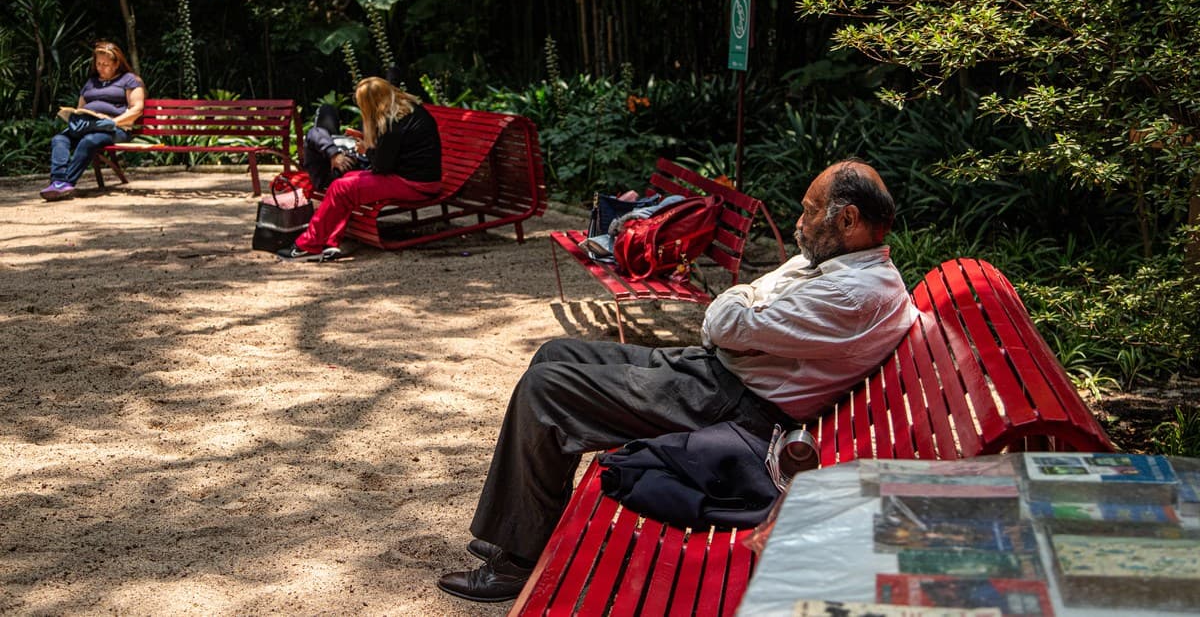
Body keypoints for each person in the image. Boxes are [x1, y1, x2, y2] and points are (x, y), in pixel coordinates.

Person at [437, 159, 920, 603]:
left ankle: (520, 563)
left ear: (848, 221)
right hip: (718, 373)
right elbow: (746, 306)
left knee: (546, 392)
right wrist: (745, 305)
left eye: (810, 211)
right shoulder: (835, 264)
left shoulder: (851, 293)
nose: (799, 222)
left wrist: (742, 307)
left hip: (736, 407)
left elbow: (724, 323)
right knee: (554, 354)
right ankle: (527, 529)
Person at [277, 77, 442, 262]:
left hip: (415, 184)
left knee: (342, 188)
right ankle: (330, 242)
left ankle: (308, 245)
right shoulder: (411, 111)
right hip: (418, 178)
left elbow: (382, 167)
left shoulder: (392, 124)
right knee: (346, 180)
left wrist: (366, 149)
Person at [40, 41, 145, 201]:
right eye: (98, 64)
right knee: (59, 139)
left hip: (115, 128)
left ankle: (66, 184)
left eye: (105, 64)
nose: (100, 67)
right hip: (88, 125)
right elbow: (80, 107)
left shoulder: (129, 79)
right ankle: (58, 181)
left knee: (90, 141)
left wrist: (114, 122)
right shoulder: (91, 82)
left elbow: (137, 109)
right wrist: (75, 119)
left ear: (116, 64)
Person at [302, 104, 366, 192]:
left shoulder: (347, 137)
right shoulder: (315, 135)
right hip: (334, 178)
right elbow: (315, 133)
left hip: (366, 168)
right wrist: (334, 154)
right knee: (327, 109)